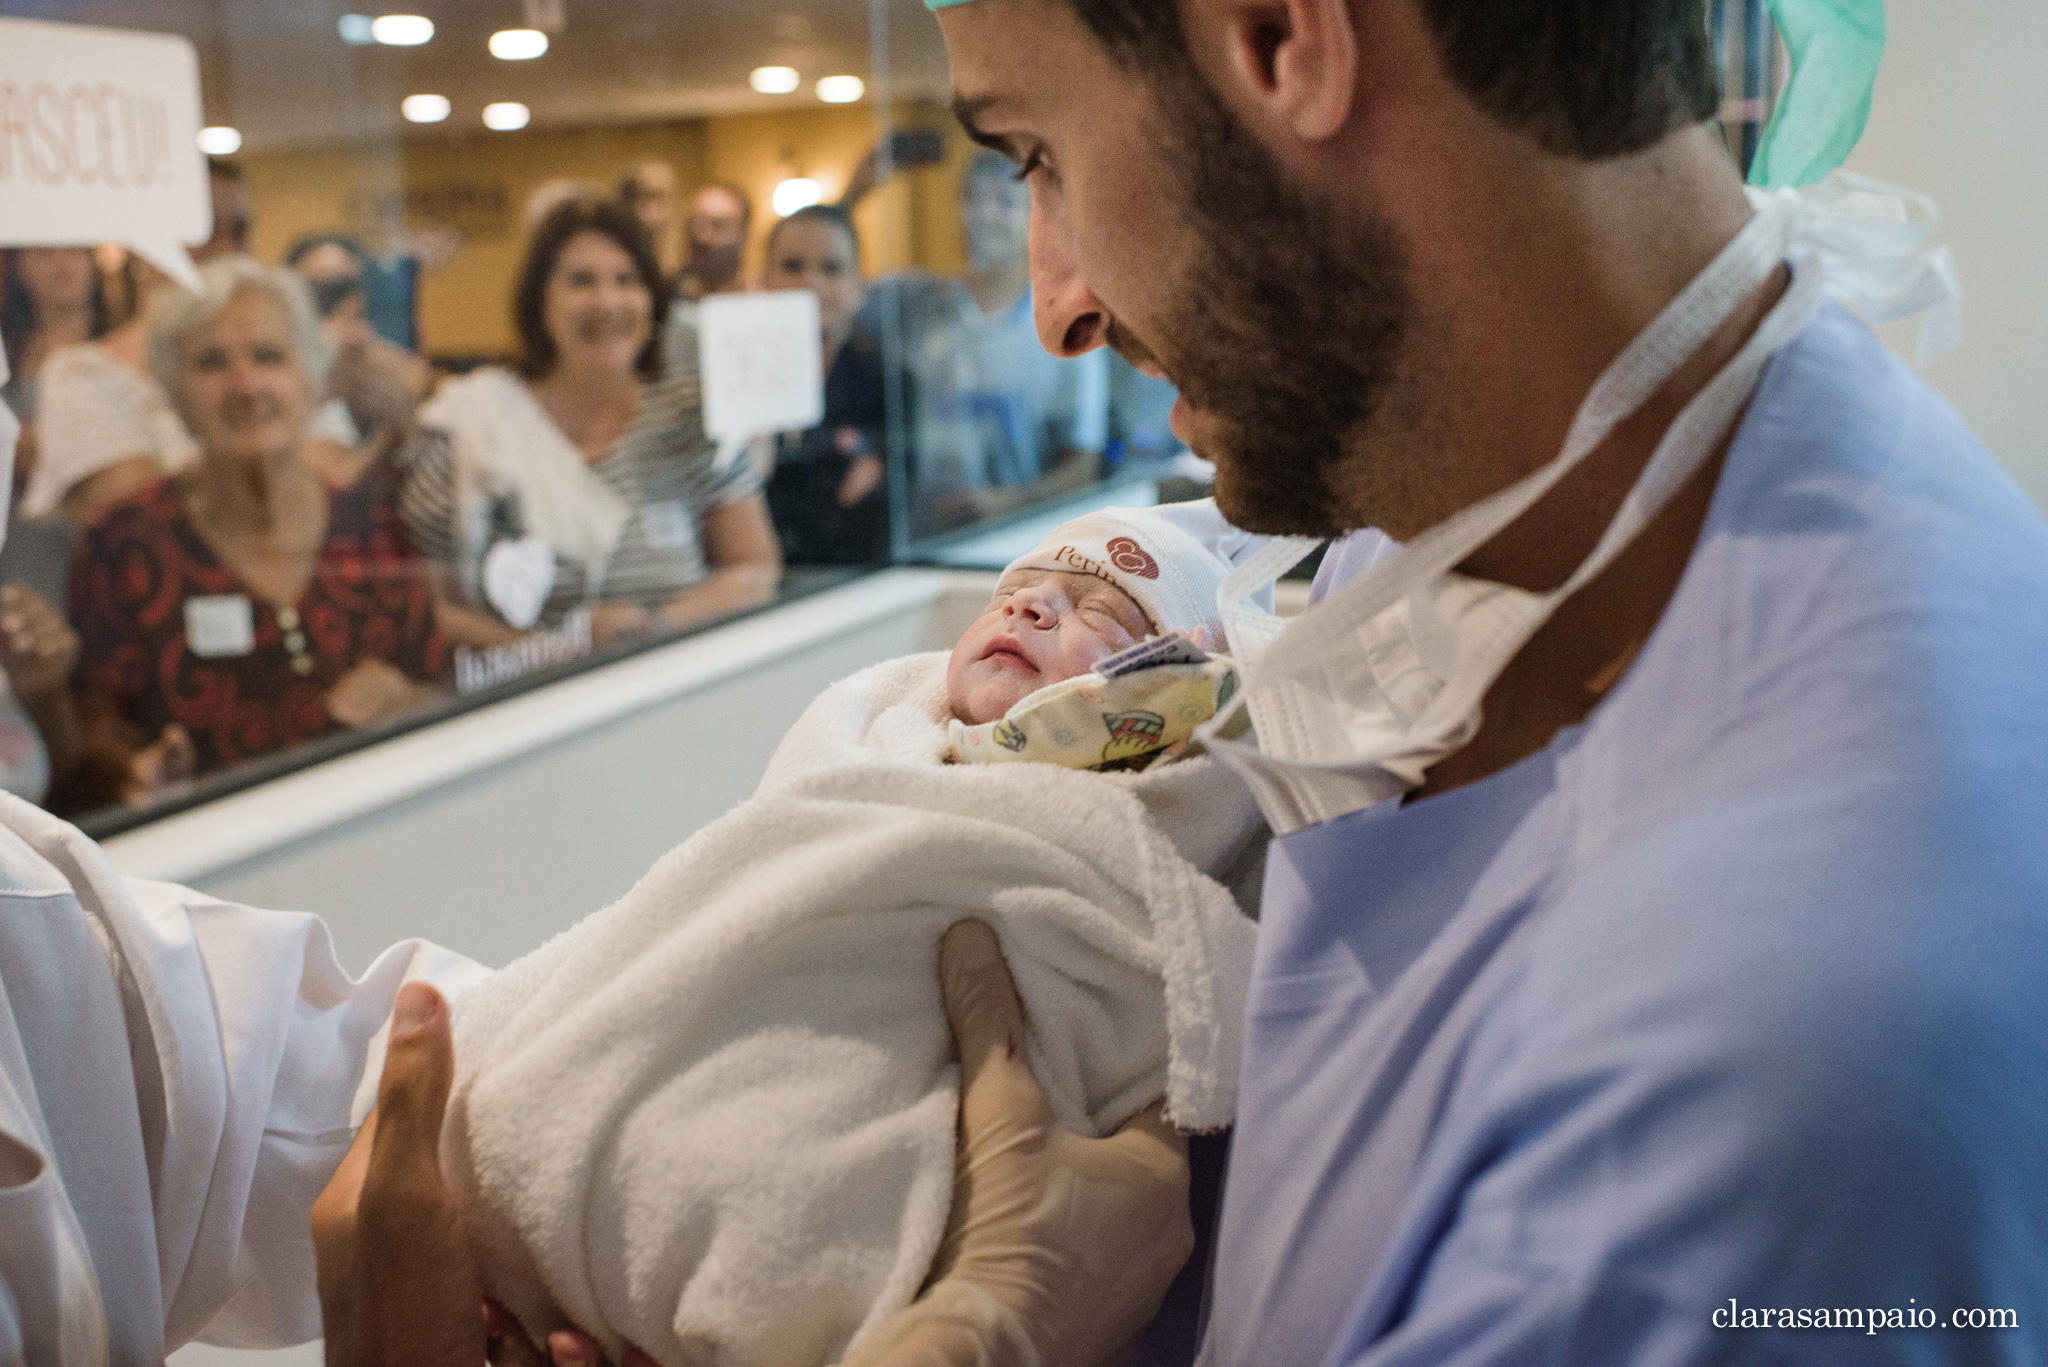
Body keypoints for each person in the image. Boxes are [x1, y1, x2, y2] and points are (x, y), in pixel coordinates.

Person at [328, 0, 2048, 1363]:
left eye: (1038, 152)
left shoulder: (1760, 1074)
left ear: (1282, 36)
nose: (1057, 309)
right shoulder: (1495, 511)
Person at [434, 505, 1265, 1367]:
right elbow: (741, 890)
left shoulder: (1144, 826)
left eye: (1104, 613)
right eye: (1014, 591)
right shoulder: (882, 751)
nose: (1032, 608)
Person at [66, 258, 448, 808]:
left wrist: (408, 703)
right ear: (172, 393)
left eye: (268, 356)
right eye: (211, 363)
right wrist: (132, 773)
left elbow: (442, 692)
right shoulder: (121, 544)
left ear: (312, 379)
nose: (245, 385)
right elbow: (93, 742)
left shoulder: (376, 528)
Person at [397, 198, 780, 649]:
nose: (608, 301)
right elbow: (436, 610)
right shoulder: (469, 428)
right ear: (541, 299)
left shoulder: (690, 418)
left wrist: (651, 629)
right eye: (582, 281)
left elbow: (754, 570)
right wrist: (564, 648)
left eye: (627, 280)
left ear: (652, 301)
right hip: (531, 702)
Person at [952, 149, 1108, 492]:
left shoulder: (1067, 325)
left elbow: (1083, 467)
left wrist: (996, 509)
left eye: (1004, 202)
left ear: (1033, 215)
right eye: (974, 199)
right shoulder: (927, 309)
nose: (986, 215)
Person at [759, 205, 891, 563]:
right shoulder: (732, 387)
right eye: (792, 267)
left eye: (831, 268)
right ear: (762, 280)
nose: (809, 283)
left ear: (858, 286)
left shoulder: (891, 388)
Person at [285, 232, 437, 489]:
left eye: (361, 294)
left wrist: (411, 412)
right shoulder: (284, 409)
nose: (354, 337)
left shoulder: (429, 403)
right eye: (325, 297)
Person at [676, 182, 754, 301]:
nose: (701, 237)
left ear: (744, 236)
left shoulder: (765, 299)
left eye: (717, 224)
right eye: (694, 223)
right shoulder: (669, 299)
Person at [617, 157, 684, 291]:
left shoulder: (685, 256)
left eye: (658, 198)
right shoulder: (613, 263)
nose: (648, 210)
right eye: (635, 199)